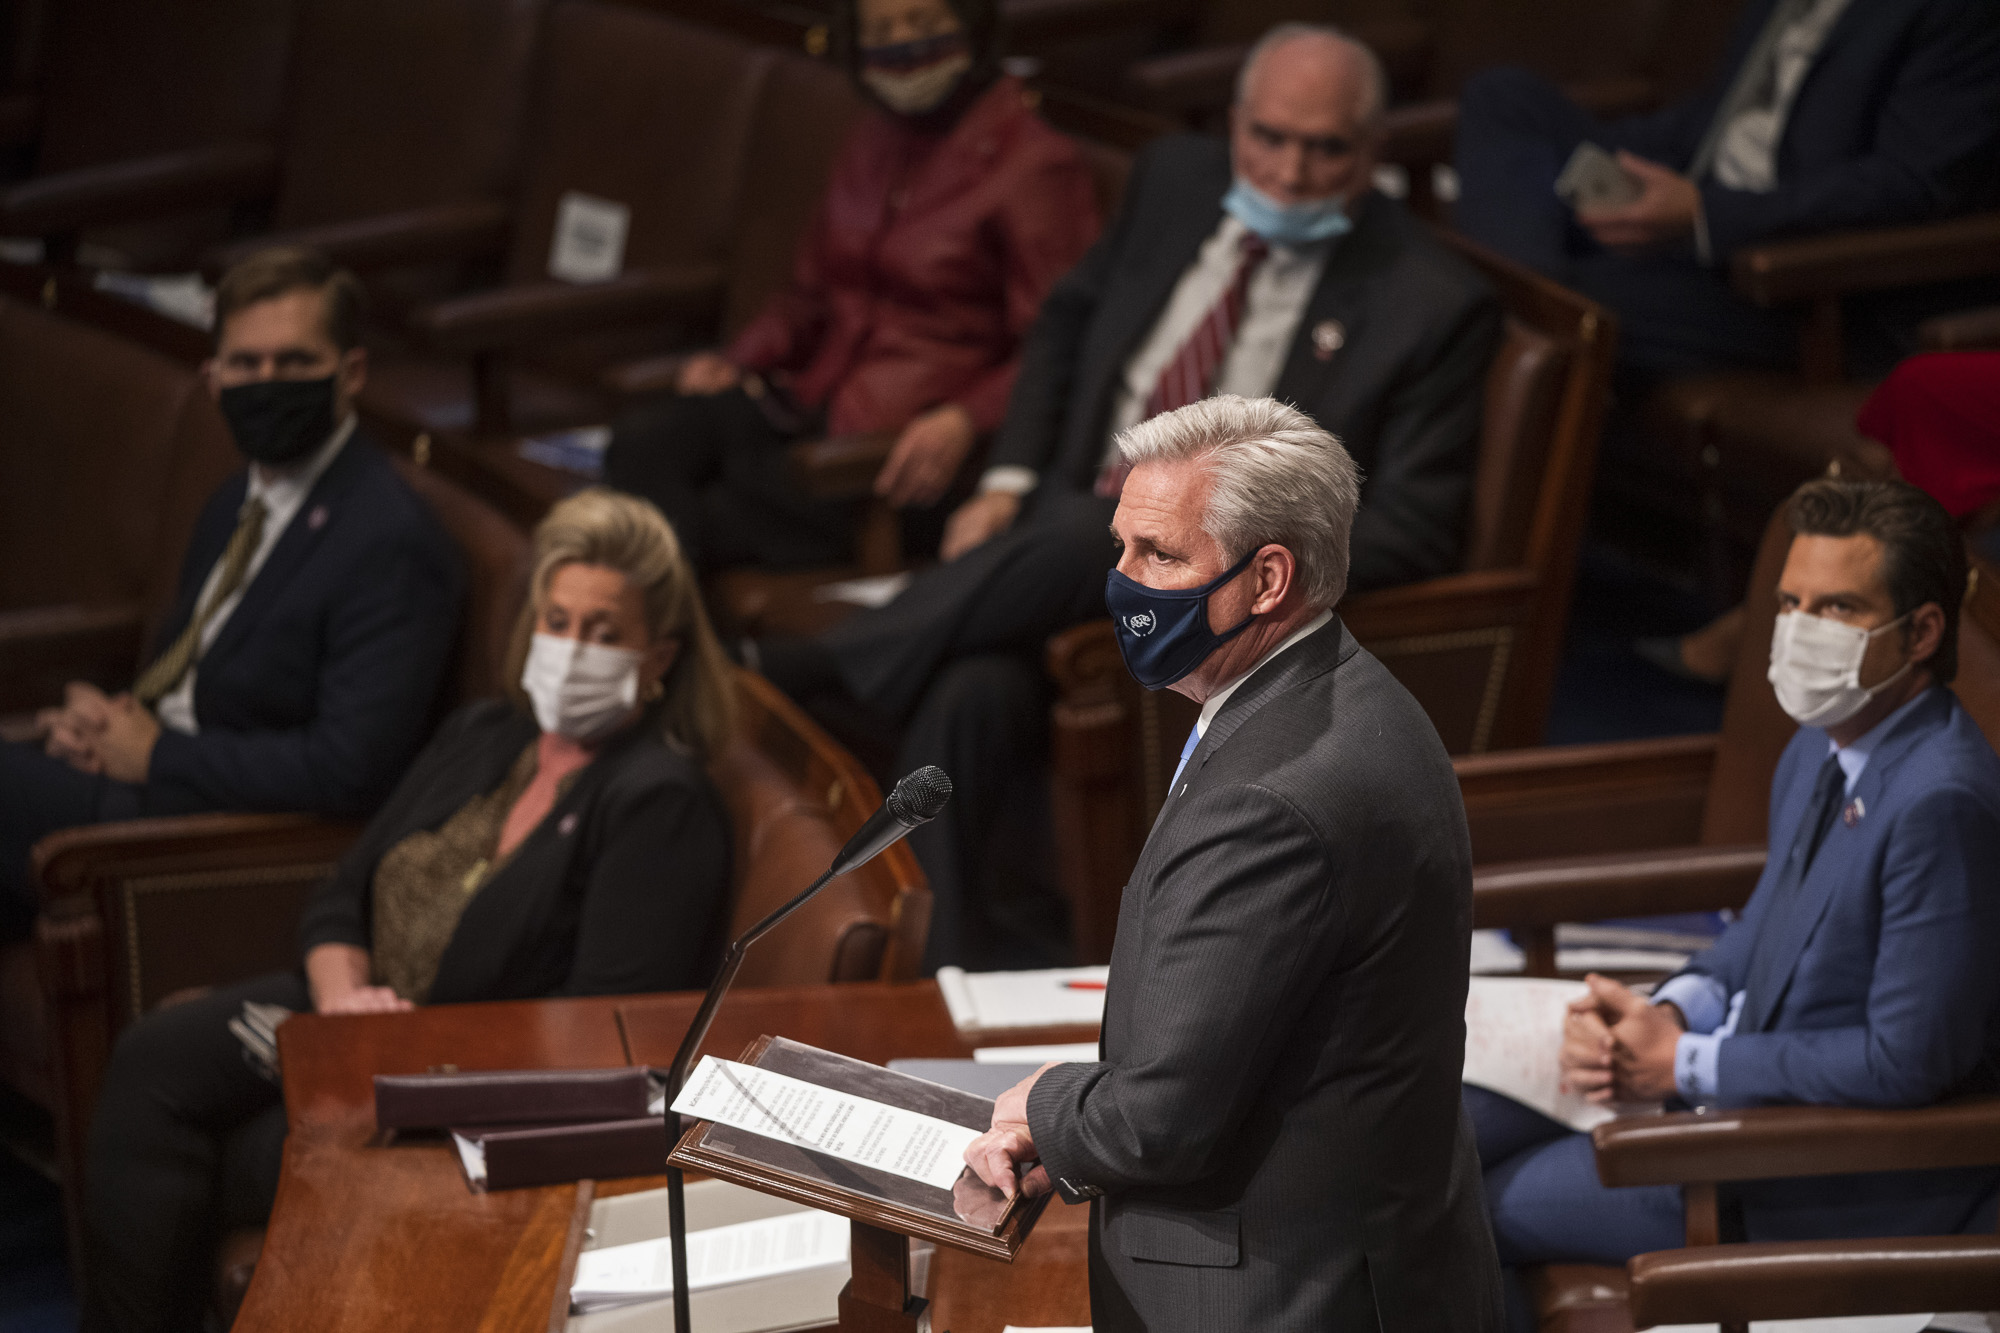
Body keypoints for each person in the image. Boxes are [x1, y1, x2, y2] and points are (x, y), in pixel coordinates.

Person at [763, 22, 1500, 968]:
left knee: (1122, 522)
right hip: (1062, 527)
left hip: (1202, 586)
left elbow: (1414, 528)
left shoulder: (1428, 302)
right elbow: (1067, 320)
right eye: (1268, 137)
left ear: (1375, 153)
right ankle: (944, 968)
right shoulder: (1175, 181)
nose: (1289, 170)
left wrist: (1226, 547)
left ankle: (813, 670)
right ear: (1234, 125)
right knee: (972, 691)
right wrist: (1008, 476)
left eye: (1326, 149)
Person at [80, 488, 737, 1333]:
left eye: (604, 632)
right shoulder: (486, 731)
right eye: (558, 620)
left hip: (451, 1082)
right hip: (351, 1017)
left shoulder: (661, 803)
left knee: (230, 1150)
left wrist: (393, 1046)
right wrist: (344, 996)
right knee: (147, 1059)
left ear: (660, 658)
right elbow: (344, 891)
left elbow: (598, 1032)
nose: (572, 649)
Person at [962, 395, 1504, 1330]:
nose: (1123, 583)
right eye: (1122, 547)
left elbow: (1156, 1123)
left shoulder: (1271, 794)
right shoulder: (1351, 692)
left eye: (1161, 556)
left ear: (1268, 579)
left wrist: (1045, 1105)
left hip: (1283, 1293)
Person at [1468, 478, 2000, 1331]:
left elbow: (1904, 1060)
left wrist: (1682, 1065)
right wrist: (1667, 1007)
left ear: (1923, 632)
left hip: (1807, 1180)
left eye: (1837, 608)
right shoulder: (1823, 748)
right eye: (1791, 602)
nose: (1799, 632)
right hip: (1735, 1098)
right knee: (1448, 1125)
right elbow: (1761, 932)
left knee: (1464, 1212)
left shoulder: (1943, 801)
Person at [0, 246, 463, 941]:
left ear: (352, 373)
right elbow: (190, 669)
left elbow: (350, 768)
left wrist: (157, 754)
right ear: (213, 377)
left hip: (204, 832)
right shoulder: (236, 499)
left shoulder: (390, 540)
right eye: (246, 364)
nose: (267, 382)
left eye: (295, 362)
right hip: (146, 780)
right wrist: (106, 722)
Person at [602, 0, 1100, 573]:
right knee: (643, 443)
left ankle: (676, 652)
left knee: (673, 527)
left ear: (972, 29)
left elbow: (1057, 345)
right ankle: (673, 648)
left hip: (892, 456)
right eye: (880, 31)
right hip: (809, 405)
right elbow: (810, 294)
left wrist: (965, 418)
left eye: (922, 24)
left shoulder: (1037, 164)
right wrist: (738, 359)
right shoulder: (872, 137)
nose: (902, 46)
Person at [1452, 0, 2000, 379]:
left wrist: (1705, 216)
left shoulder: (1962, 12)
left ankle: (1518, 311)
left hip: (1787, 286)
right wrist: (1625, 165)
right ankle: (1531, 299)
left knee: (1563, 303)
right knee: (1504, 98)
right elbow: (1719, 124)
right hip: (1689, 221)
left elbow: (1910, 187)